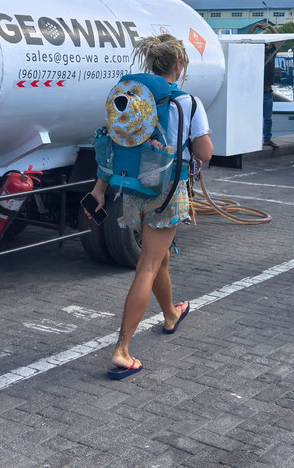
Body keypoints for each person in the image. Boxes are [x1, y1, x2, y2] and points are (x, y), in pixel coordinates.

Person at [86, 34, 212, 379]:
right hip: (167, 189)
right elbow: (204, 153)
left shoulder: (129, 97)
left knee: (160, 257)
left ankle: (170, 313)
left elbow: (112, 145)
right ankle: (122, 350)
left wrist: (99, 188)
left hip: (131, 188)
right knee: (148, 264)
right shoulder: (186, 102)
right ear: (178, 65)